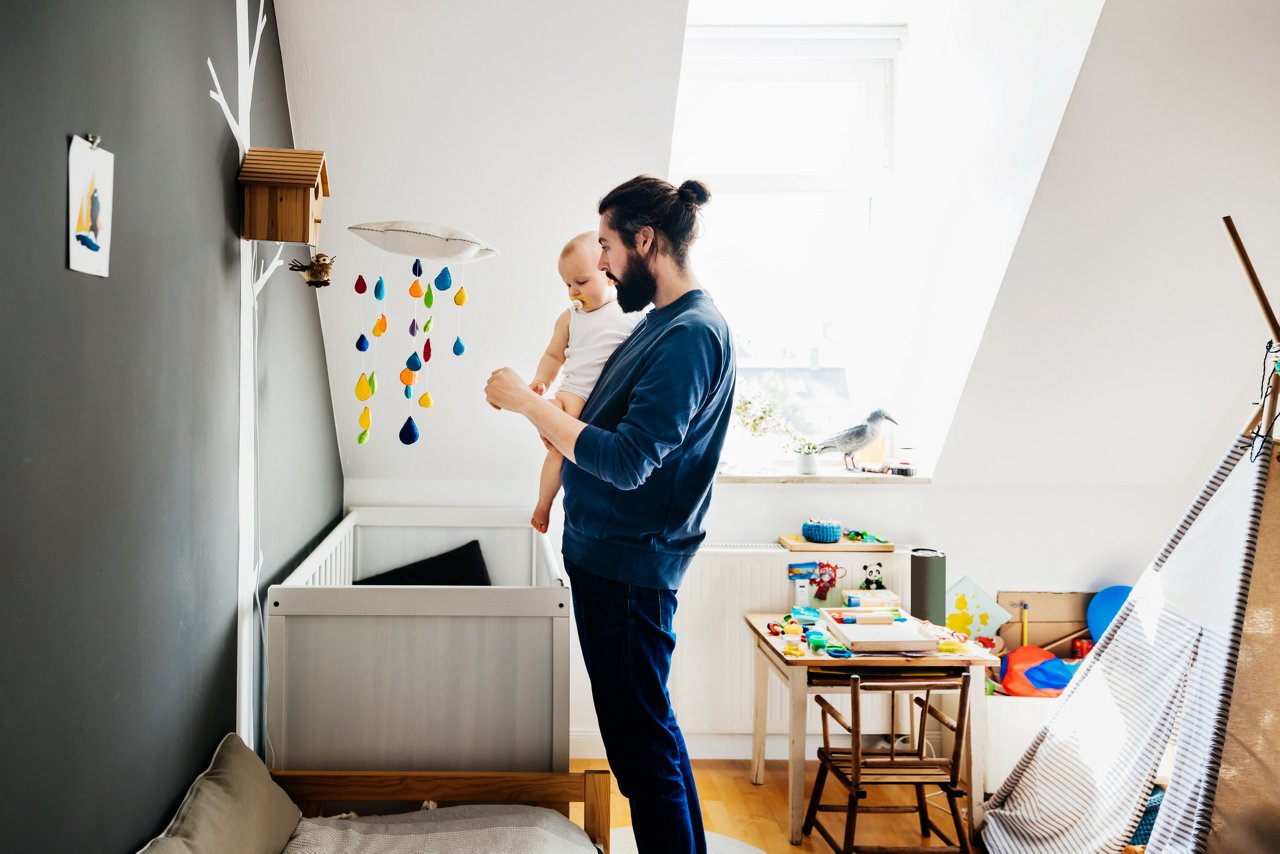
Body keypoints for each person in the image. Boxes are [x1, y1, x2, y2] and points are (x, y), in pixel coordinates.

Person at [485, 175, 736, 853]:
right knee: (650, 734)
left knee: (641, 757)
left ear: (644, 241)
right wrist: (564, 423)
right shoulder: (659, 324)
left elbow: (628, 462)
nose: (598, 262)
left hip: (628, 568)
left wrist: (527, 403)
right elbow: (612, 428)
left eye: (606, 244)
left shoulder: (690, 336)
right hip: (609, 558)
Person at [528, 231, 640, 533]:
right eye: (567, 285)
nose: (573, 292)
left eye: (581, 282)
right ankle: (544, 502)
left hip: (609, 398)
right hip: (575, 392)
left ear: (609, 276)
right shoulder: (569, 319)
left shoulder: (630, 313)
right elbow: (553, 356)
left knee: (599, 457)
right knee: (557, 448)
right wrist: (541, 381)